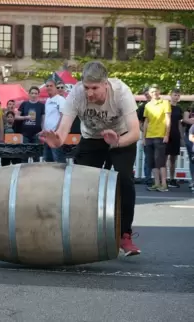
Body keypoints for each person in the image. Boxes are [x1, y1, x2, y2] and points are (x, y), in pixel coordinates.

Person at [40, 61, 141, 257]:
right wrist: (57, 141)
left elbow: (136, 132)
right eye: (87, 87)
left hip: (121, 136)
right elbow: (62, 130)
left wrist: (118, 142)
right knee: (81, 183)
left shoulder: (121, 92)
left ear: (105, 84)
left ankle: (124, 235)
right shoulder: (77, 94)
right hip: (92, 139)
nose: (90, 93)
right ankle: (81, 232)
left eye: (95, 88)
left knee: (125, 182)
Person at [143, 84, 171, 192]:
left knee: (161, 161)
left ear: (159, 91)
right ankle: (156, 183)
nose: (154, 93)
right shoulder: (148, 105)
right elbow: (146, 121)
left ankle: (164, 184)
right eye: (152, 92)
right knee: (152, 162)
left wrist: (167, 134)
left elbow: (168, 119)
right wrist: (144, 137)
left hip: (160, 135)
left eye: (156, 91)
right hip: (149, 136)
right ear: (149, 94)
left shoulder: (165, 103)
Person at [165, 88, 183, 188]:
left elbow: (179, 124)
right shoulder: (165, 106)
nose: (176, 97)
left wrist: (181, 137)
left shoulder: (179, 109)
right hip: (166, 134)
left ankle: (172, 178)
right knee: (164, 157)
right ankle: (163, 179)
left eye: (178, 95)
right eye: (174, 95)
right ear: (171, 95)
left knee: (173, 159)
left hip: (175, 134)